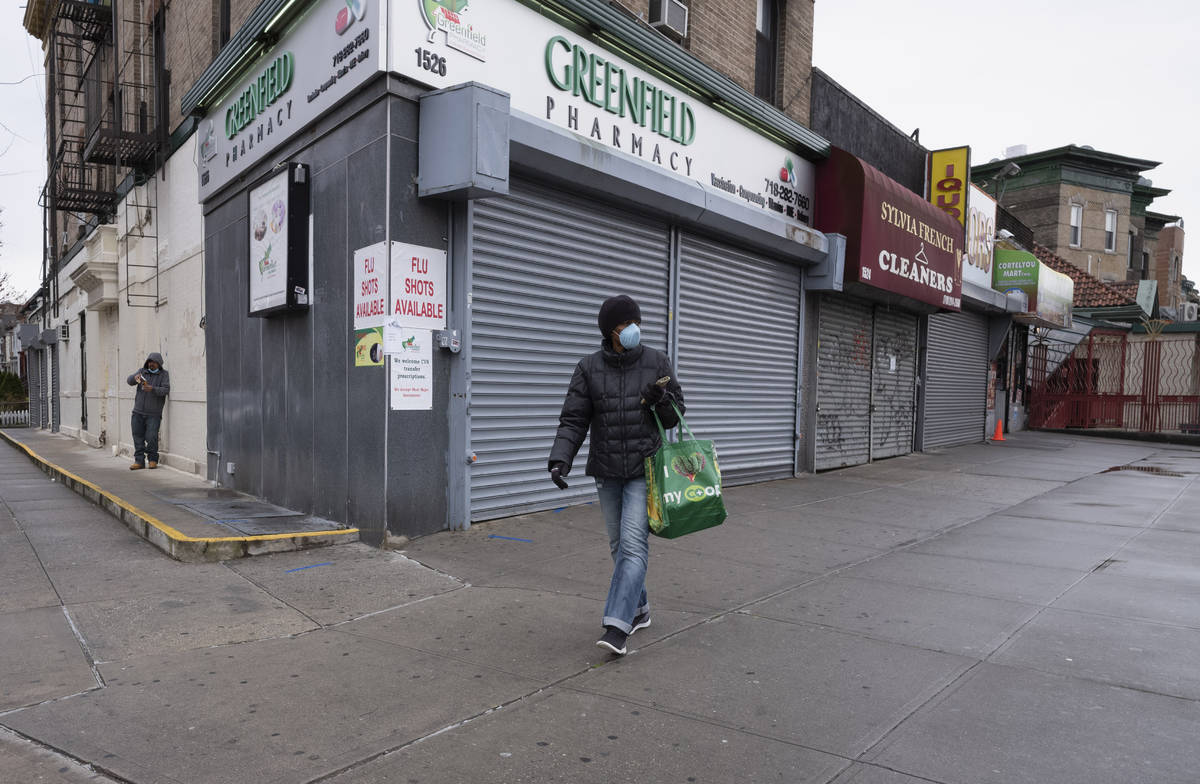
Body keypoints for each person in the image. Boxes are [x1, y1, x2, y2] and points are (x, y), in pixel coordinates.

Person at [548, 295, 685, 656]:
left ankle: (618, 624)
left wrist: (660, 400)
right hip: (607, 472)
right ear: (611, 331)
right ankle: (639, 609)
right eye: (626, 325)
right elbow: (574, 419)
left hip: (645, 469)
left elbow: (675, 416)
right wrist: (560, 459)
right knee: (617, 546)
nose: (634, 330)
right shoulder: (588, 368)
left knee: (634, 545)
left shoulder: (657, 361)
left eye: (636, 323)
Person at [126, 352, 170, 470]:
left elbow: (166, 390)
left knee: (151, 437)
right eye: (150, 362)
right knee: (137, 437)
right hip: (138, 412)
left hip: (153, 413)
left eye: (154, 362)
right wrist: (135, 379)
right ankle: (139, 461)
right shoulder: (142, 371)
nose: (151, 364)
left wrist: (153, 388)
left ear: (159, 364)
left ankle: (152, 460)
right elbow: (129, 381)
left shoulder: (164, 375)